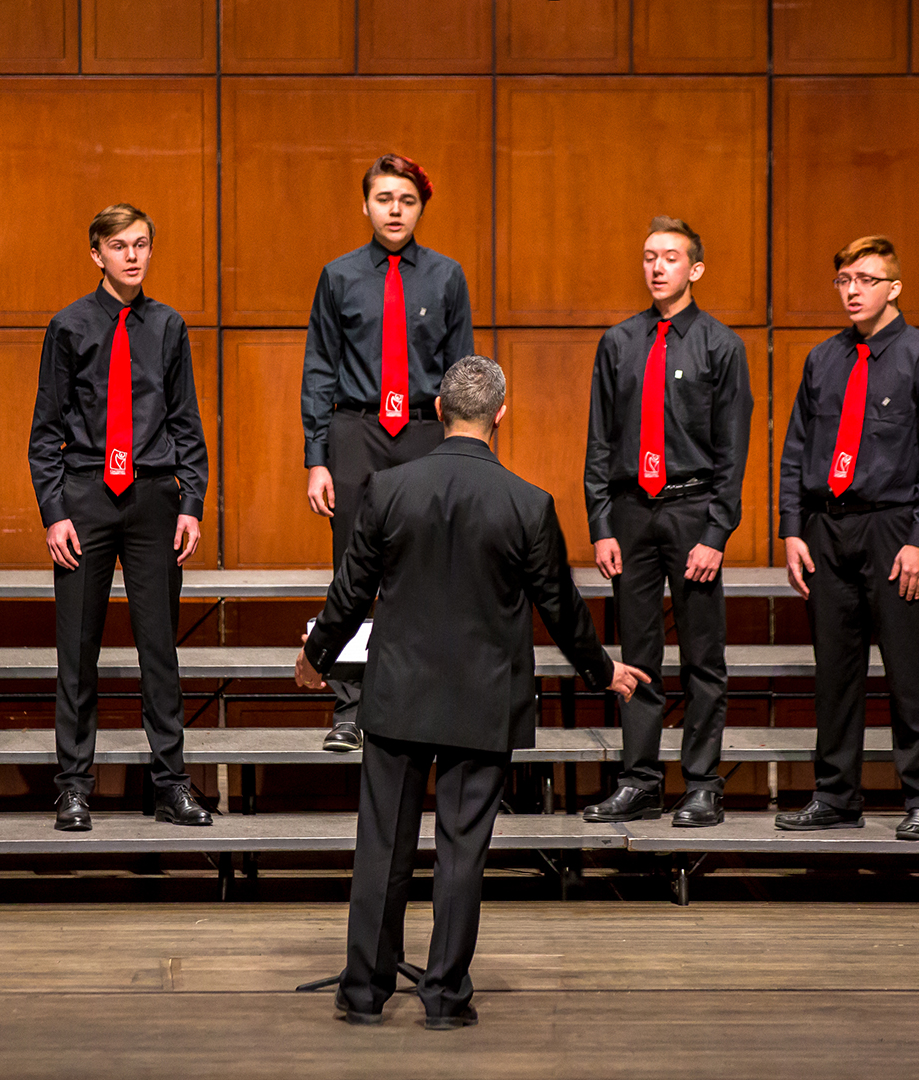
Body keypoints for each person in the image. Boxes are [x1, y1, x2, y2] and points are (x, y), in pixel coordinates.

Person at [296, 356, 646, 1029]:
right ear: (500, 415)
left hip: (398, 695)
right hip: (482, 701)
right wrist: (603, 671)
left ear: (437, 411)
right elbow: (560, 606)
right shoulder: (528, 503)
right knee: (462, 853)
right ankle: (445, 998)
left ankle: (364, 993)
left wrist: (316, 657)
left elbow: (351, 589)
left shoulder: (387, 487)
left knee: (382, 849)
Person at [29, 204, 211, 831]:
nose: (132, 256)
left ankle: (172, 784)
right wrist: (54, 512)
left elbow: (187, 422)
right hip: (86, 496)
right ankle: (74, 787)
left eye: (141, 244)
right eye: (119, 246)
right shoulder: (69, 326)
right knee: (77, 650)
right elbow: (45, 430)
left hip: (154, 497)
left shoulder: (168, 326)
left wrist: (192, 503)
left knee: (159, 649)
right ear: (97, 254)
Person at [582, 216, 753, 828]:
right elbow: (599, 441)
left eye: (671, 257)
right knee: (637, 654)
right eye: (650, 256)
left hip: (692, 509)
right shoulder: (618, 342)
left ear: (695, 269)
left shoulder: (721, 346)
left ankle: (702, 784)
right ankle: (640, 781)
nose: (657, 267)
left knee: (703, 658)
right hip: (631, 513)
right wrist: (601, 522)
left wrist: (715, 534)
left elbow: (732, 451)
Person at [301, 153, 474, 753]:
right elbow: (320, 369)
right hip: (356, 432)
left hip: (426, 433)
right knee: (353, 569)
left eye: (406, 200)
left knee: (429, 569)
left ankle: (423, 701)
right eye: (384, 199)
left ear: (420, 207)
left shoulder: (447, 277)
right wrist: (317, 457)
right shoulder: (338, 276)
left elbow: (462, 371)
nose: (394, 210)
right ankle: (350, 708)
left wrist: (464, 448)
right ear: (365, 204)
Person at [776, 235, 919, 839]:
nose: (852, 291)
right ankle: (836, 796)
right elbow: (795, 449)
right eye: (843, 280)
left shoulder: (915, 353)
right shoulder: (824, 359)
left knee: (910, 673)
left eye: (865, 279)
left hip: (894, 529)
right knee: (835, 674)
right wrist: (792, 529)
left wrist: (918, 538)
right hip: (827, 529)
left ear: (894, 287)